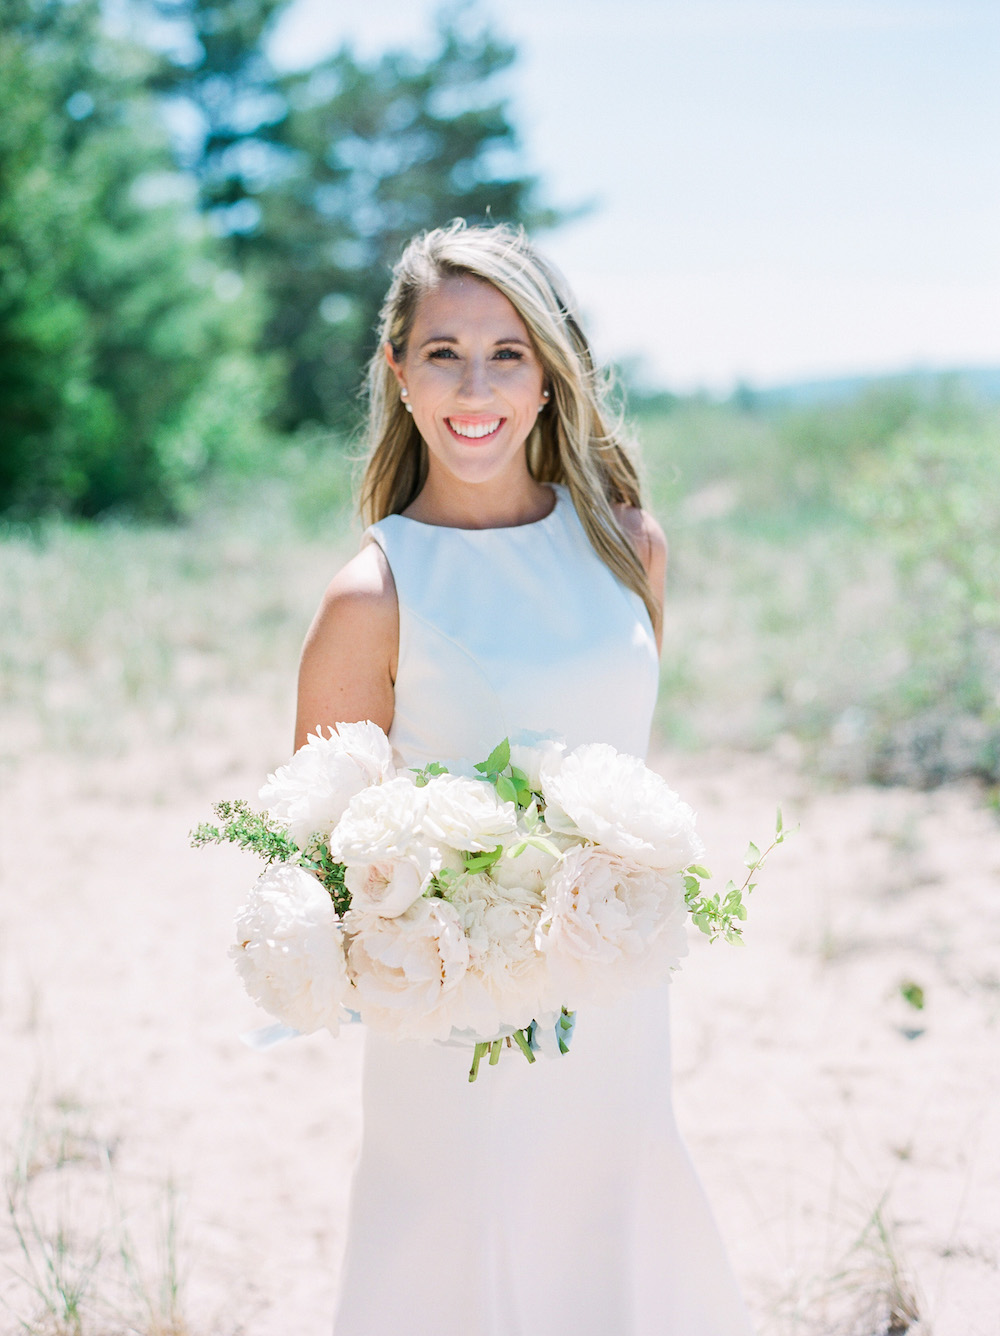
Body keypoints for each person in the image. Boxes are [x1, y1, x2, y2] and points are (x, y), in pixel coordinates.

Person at [294, 220, 755, 1336]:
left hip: (614, 987)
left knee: (610, 1217)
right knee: (462, 1245)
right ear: (397, 373)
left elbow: (621, 763)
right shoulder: (375, 590)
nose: (475, 385)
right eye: (443, 352)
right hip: (451, 1016)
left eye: (507, 352)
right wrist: (453, 922)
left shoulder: (625, 548)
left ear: (550, 373)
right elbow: (314, 842)